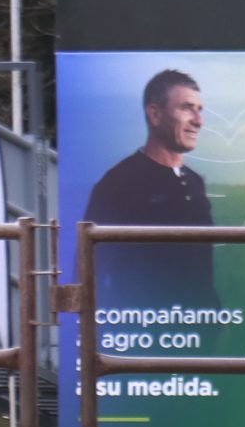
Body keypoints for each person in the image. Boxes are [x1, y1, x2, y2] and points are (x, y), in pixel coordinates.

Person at [82, 68, 215, 300]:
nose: (198, 121)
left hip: (201, 328)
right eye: (186, 108)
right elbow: (88, 272)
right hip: (142, 329)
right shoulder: (117, 184)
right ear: (155, 114)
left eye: (199, 110)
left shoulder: (195, 182)